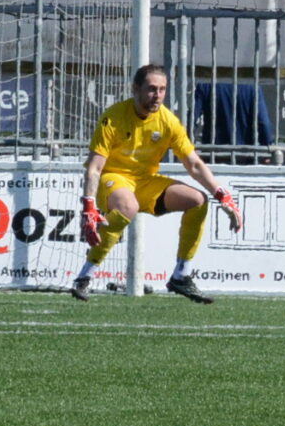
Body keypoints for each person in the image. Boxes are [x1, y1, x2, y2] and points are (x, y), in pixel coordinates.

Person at [72, 63, 241, 304]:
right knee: (128, 206)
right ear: (135, 89)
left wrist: (222, 195)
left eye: (162, 89)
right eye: (151, 89)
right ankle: (85, 276)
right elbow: (95, 167)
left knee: (197, 200)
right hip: (113, 178)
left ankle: (181, 275)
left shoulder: (168, 121)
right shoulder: (114, 117)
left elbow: (194, 164)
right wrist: (89, 206)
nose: (157, 95)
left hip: (145, 182)